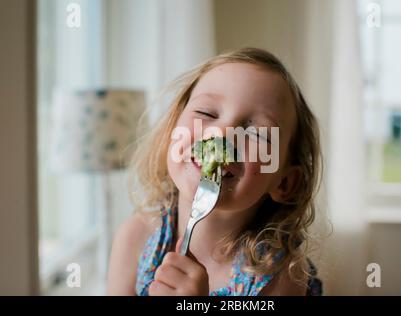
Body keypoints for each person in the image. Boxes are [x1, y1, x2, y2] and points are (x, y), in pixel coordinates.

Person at [107, 47, 323, 296]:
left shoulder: (282, 278)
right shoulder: (135, 238)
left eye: (256, 133)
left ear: (284, 182)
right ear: (172, 131)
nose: (221, 135)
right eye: (206, 113)